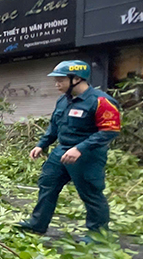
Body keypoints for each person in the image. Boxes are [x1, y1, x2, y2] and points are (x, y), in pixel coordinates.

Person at [17, 60, 121, 241]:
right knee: (47, 185)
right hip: (61, 151)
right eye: (55, 80)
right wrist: (41, 144)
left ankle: (98, 235)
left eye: (61, 79)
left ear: (77, 78)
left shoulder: (101, 101)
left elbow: (109, 131)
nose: (56, 83)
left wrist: (80, 148)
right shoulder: (63, 101)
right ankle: (37, 224)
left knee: (91, 193)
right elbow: (54, 127)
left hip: (88, 154)